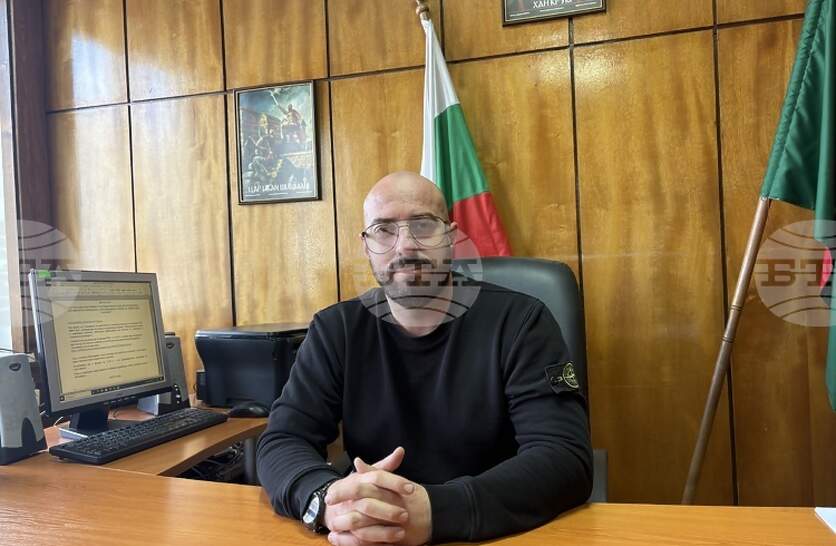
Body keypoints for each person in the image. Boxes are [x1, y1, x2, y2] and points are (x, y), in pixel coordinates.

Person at [257, 171, 592, 545]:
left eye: (422, 225)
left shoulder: (521, 322)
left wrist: (434, 511)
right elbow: (282, 440)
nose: (405, 246)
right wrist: (328, 501)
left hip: (498, 535)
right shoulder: (337, 330)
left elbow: (563, 457)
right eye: (383, 229)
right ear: (366, 245)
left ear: (451, 236)